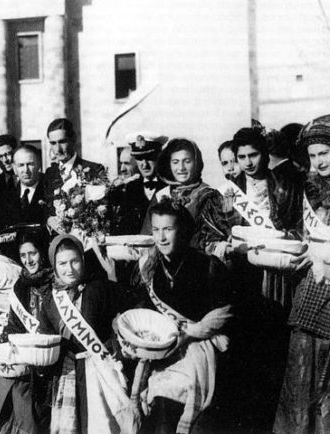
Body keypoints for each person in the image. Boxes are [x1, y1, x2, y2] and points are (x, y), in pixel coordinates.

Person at [138, 199, 233, 434]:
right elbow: (146, 315)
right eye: (156, 230)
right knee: (157, 402)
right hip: (165, 352)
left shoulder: (207, 265)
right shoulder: (151, 268)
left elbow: (224, 313)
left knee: (169, 399)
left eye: (168, 229)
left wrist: (190, 333)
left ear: (181, 231)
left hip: (201, 350)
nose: (161, 238)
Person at [36, 234, 138, 434]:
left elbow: (128, 312)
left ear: (82, 260)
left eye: (74, 261)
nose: (69, 269)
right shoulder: (50, 299)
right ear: (54, 265)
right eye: (62, 263)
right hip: (67, 372)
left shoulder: (99, 288)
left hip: (98, 369)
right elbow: (46, 335)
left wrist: (117, 346)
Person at [274, 114, 330, 433]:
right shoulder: (311, 192)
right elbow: (304, 233)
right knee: (299, 377)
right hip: (311, 292)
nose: (319, 161)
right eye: (313, 155)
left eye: (325, 153)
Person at [231, 127, 306, 308]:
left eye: (253, 155)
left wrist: (288, 235)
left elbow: (301, 225)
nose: (248, 162)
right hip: (243, 268)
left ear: (264, 153)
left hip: (277, 269)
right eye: (242, 157)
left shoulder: (287, 185)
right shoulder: (230, 190)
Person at [0, 228, 53, 434]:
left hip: (51, 359)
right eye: (23, 255)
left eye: (33, 253)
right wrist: (2, 342)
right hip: (26, 360)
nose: (28, 260)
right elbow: (14, 324)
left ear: (43, 252)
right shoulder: (20, 285)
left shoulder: (55, 282)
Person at [141, 138, 234, 260]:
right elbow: (147, 236)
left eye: (187, 161)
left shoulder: (208, 196)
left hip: (196, 262)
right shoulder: (161, 195)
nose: (181, 168)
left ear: (196, 163)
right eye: (175, 162)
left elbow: (216, 239)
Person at [109, 133, 167, 236]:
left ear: (159, 157)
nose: (144, 164)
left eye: (149, 158)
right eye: (140, 158)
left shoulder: (170, 187)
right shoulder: (128, 189)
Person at [44, 118, 106, 207]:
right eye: (53, 143)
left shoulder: (94, 169)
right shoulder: (50, 173)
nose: (58, 149)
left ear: (73, 139)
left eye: (62, 142)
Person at [0, 145, 48, 230]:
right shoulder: (6, 195)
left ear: (39, 165)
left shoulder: (49, 190)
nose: (26, 170)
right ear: (14, 168)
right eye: (21, 165)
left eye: (30, 164)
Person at [0, 134, 18, 198]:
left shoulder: (32, 177)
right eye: (0, 157)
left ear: (16, 152)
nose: (5, 160)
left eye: (8, 154)